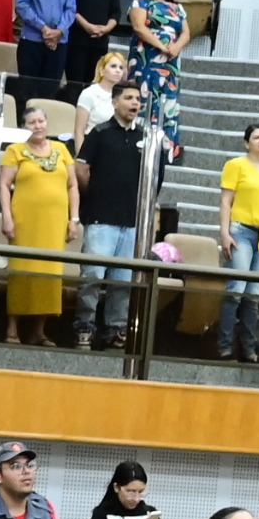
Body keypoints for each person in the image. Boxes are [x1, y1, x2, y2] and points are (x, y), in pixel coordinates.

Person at [75, 76, 155, 351]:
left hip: (131, 220)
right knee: (92, 276)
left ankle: (116, 329)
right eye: (129, 98)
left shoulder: (146, 137)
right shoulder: (100, 132)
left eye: (138, 99)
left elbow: (156, 177)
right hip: (101, 217)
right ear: (114, 102)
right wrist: (97, 193)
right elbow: (81, 170)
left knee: (123, 280)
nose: (135, 103)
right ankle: (84, 327)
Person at [0, 105, 75, 346]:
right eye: (32, 122)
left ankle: (38, 332)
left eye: (41, 121)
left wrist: (74, 218)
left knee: (50, 274)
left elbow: (72, 185)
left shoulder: (62, 149)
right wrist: (7, 216)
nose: (38, 126)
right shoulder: (15, 150)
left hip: (55, 222)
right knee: (22, 271)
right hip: (25, 221)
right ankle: (12, 330)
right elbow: (3, 185)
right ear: (24, 126)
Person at [213, 125, 259, 362]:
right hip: (241, 232)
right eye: (256, 137)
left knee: (254, 294)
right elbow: (226, 201)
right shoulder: (235, 165)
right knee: (236, 289)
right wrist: (225, 232)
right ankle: (224, 345)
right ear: (247, 143)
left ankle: (248, 348)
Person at [124, 0, 191, 168]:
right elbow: (138, 27)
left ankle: (165, 149)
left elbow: (186, 32)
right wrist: (161, 46)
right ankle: (139, 145)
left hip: (170, 62)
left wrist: (175, 47)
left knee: (167, 101)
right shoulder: (141, 0)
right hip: (147, 57)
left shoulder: (177, 6)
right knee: (145, 97)